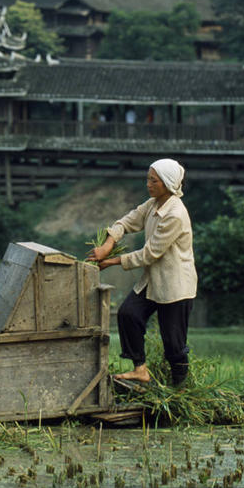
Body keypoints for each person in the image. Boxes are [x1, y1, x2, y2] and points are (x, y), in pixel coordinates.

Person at [87, 159, 197, 387]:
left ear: (167, 183)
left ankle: (181, 389)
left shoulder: (175, 214)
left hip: (175, 285)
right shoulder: (153, 204)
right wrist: (108, 244)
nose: (148, 184)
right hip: (154, 279)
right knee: (128, 314)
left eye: (153, 180)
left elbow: (150, 254)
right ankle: (140, 370)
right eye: (148, 179)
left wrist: (112, 261)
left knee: (173, 343)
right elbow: (127, 221)